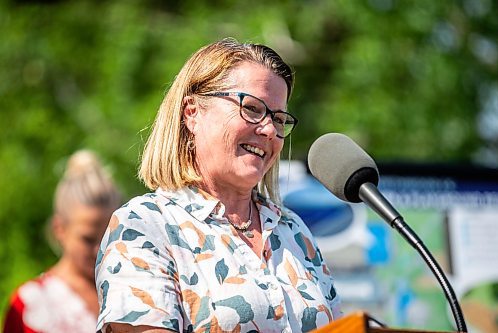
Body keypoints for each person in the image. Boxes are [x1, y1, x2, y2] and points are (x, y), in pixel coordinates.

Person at [95, 38, 342, 333]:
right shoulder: (144, 225)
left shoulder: (294, 231)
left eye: (278, 119)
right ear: (192, 113)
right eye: (251, 108)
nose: (268, 130)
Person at [3, 150, 121, 333]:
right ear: (60, 229)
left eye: (109, 237)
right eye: (87, 239)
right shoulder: (30, 303)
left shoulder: (132, 292)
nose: (99, 249)